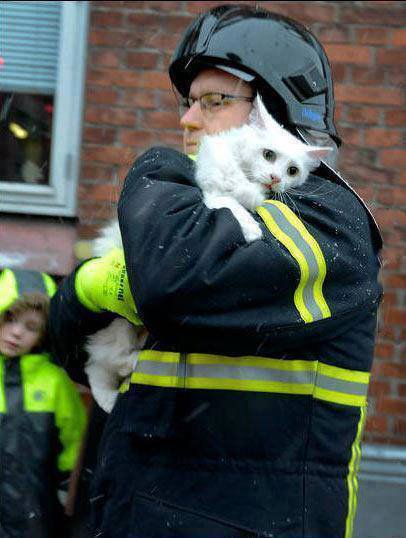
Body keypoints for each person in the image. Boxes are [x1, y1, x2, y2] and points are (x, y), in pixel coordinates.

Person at [49, 5, 383, 537]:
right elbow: (66, 348)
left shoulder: (328, 220)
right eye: (186, 103)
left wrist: (156, 170)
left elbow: (171, 281)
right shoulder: (189, 213)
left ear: (276, 110)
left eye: (214, 101)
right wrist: (85, 290)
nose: (186, 120)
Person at [0, 267, 87, 538]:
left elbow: (74, 443)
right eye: (9, 318)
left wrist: (65, 489)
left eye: (31, 327)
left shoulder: (55, 383)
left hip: (33, 514)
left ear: (43, 334)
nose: (16, 333)